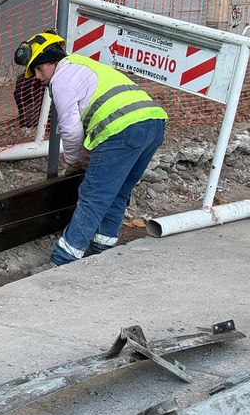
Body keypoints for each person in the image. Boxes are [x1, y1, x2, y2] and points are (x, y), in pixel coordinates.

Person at [14, 30, 168, 266]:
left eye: (38, 68)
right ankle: (102, 248)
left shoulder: (61, 80)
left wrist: (74, 161)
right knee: (118, 191)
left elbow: (71, 130)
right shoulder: (82, 65)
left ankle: (62, 260)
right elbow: (92, 134)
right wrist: (85, 160)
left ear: (52, 61)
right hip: (153, 123)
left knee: (93, 195)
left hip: (122, 129)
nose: (36, 76)